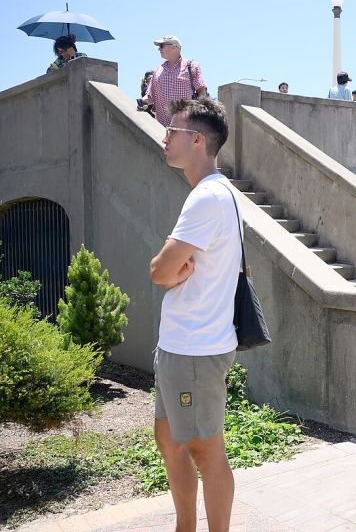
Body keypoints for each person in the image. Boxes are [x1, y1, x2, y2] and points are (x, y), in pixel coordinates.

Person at [149, 96, 239, 532]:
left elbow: (159, 270)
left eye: (173, 131)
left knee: (205, 450)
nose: (165, 137)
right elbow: (168, 271)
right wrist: (169, 271)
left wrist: (167, 271)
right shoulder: (210, 194)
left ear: (198, 140)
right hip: (178, 346)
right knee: (170, 441)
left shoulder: (207, 197)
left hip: (196, 351)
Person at [142, 35, 207, 127]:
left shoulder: (191, 66)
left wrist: (202, 116)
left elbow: (201, 92)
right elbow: (150, 97)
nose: (159, 49)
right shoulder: (157, 71)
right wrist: (140, 103)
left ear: (174, 47)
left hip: (187, 127)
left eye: (161, 46)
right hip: (162, 128)